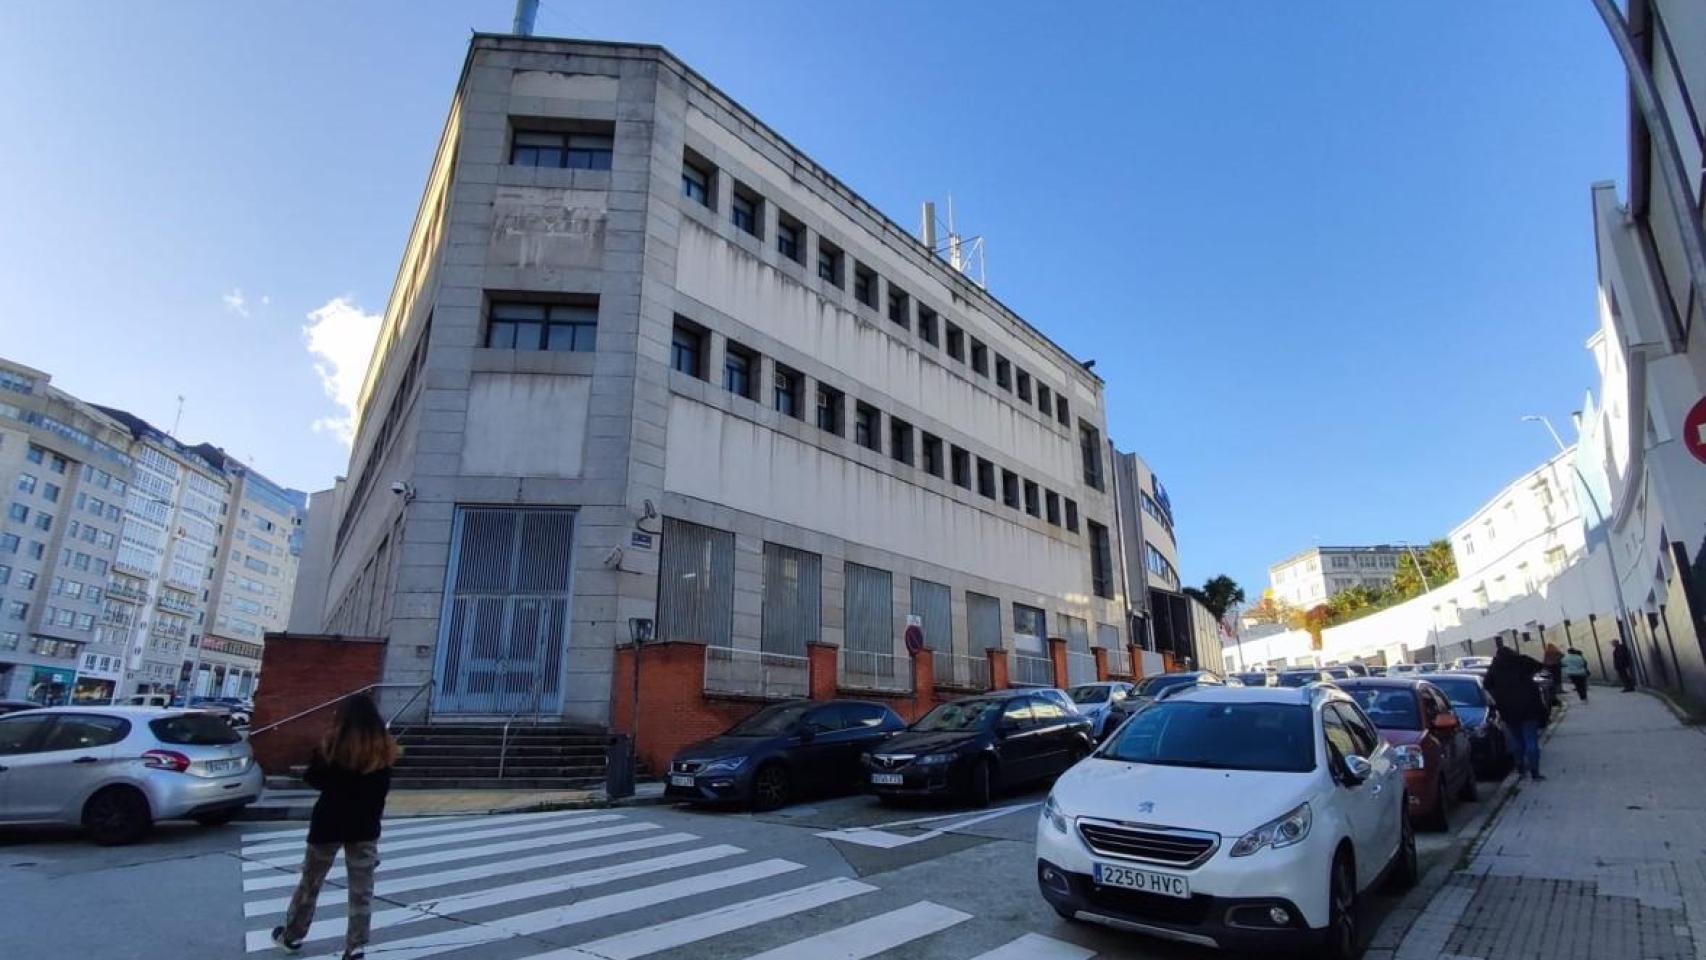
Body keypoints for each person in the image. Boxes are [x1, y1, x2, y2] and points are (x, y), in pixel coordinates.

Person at [272, 695, 401, 960]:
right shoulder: (383, 749)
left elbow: (313, 777)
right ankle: (356, 946)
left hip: (328, 822)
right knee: (361, 889)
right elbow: (381, 792)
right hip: (365, 825)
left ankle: (292, 934)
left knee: (311, 882)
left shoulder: (334, 744)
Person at [1484, 645, 1547, 781]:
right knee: (1531, 739)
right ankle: (1535, 772)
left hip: (1508, 709)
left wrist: (1499, 693)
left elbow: (1486, 684)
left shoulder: (1496, 667)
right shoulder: (1522, 661)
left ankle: (1520, 768)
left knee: (1516, 740)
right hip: (1529, 706)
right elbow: (1540, 666)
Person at [1542, 643, 1564, 708]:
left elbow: (1545, 661)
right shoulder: (1556, 652)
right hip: (1555, 668)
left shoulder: (1547, 653)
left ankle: (1551, 699)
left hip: (1548, 669)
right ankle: (1555, 697)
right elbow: (1562, 656)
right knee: (1555, 682)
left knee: (1550, 685)